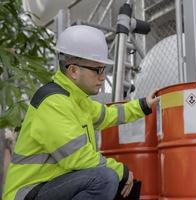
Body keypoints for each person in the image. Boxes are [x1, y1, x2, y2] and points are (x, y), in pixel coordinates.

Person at [2, 25, 159, 200]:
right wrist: (122, 171)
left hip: (51, 185)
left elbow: (108, 115)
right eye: (98, 70)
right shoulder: (53, 103)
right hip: (27, 192)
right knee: (104, 179)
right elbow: (78, 157)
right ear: (74, 71)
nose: (102, 76)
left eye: (104, 70)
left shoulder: (77, 100)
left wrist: (144, 105)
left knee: (109, 180)